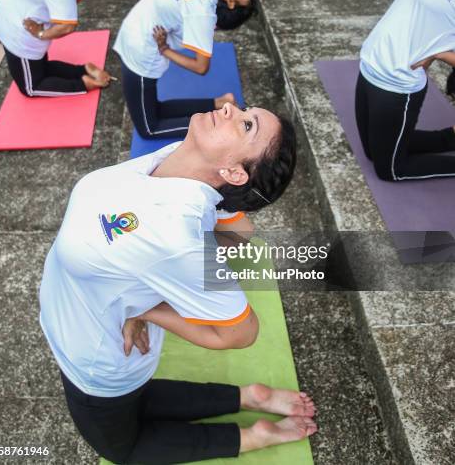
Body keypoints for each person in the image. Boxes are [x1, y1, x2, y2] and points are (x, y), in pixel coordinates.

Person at [39, 103, 316, 465]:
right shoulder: (178, 158)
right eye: (245, 110)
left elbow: (240, 332)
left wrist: (146, 309)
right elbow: (241, 231)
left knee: (121, 449)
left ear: (233, 171)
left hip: (97, 356)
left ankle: (253, 435)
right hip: (82, 322)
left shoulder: (174, 234)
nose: (231, 107)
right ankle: (250, 396)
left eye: (247, 125)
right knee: (136, 400)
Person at [114, 0, 253, 139]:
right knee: (153, 109)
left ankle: (224, 124)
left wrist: (165, 50)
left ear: (231, 1)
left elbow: (201, 67)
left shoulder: (203, 12)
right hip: (131, 42)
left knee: (149, 129)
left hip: (141, 57)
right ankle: (220, 103)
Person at [355, 0, 455, 182]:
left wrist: (441, 53)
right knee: (372, 151)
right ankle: (450, 138)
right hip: (371, 66)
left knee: (390, 169)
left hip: (396, 84)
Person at [0, 0, 112, 97]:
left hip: (19, 37)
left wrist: (40, 34)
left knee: (31, 87)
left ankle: (84, 84)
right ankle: (84, 70)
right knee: (42, 69)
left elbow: (68, 26)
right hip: (11, 25)